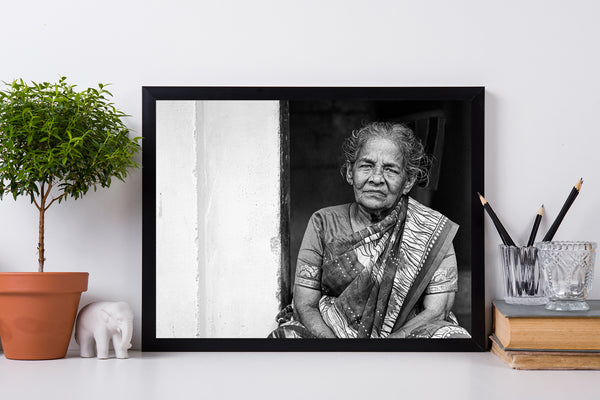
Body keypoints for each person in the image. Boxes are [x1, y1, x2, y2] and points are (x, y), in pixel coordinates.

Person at [269, 122, 470, 339]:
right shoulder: (323, 223)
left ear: (408, 181)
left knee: (452, 337)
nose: (376, 178)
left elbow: (436, 310)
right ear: (349, 172)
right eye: (366, 166)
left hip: (407, 333)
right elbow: (304, 304)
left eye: (391, 169)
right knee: (286, 337)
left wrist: (389, 345)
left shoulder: (432, 230)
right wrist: (334, 347)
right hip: (331, 330)